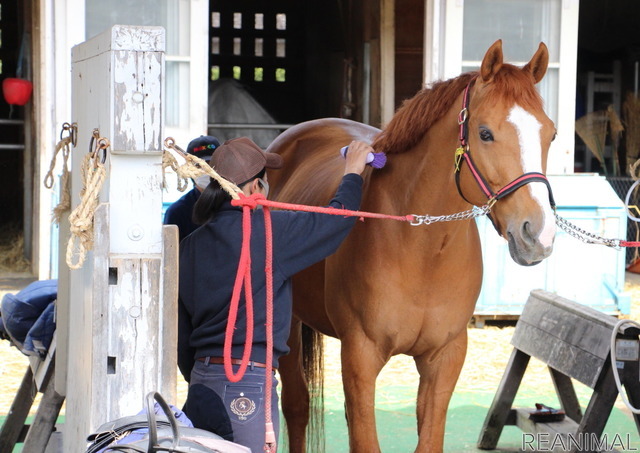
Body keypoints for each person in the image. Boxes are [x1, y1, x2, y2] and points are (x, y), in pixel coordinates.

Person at [177, 136, 372, 452]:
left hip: (201, 381)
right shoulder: (271, 231)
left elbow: (182, 333)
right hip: (247, 381)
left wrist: (201, 377)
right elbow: (336, 220)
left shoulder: (190, 246)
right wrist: (352, 171)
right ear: (255, 188)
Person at [163, 135, 220, 241]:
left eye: (211, 164)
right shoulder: (178, 212)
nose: (206, 171)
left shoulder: (235, 205)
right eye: (199, 166)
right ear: (189, 168)